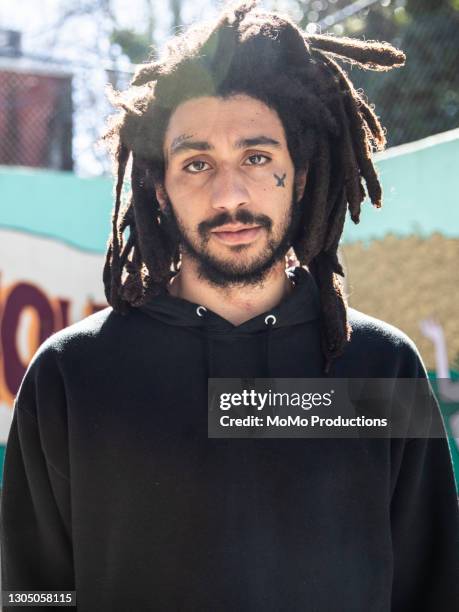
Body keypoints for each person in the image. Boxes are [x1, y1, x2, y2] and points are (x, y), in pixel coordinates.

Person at [2, 2, 458, 611]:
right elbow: (34, 593)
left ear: (299, 176)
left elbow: (432, 587)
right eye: (197, 163)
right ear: (160, 188)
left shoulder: (381, 368)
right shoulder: (71, 375)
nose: (230, 194)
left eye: (257, 156)